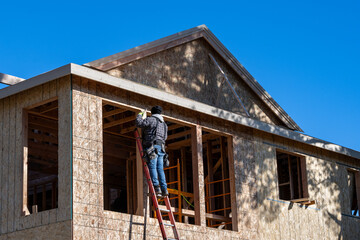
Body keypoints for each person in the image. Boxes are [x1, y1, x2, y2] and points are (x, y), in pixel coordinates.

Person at [135, 105, 168, 197]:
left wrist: (140, 114)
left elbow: (139, 123)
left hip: (152, 147)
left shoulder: (151, 119)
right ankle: (164, 189)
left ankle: (157, 188)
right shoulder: (164, 124)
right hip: (161, 148)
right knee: (160, 169)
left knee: (152, 167)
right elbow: (165, 137)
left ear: (152, 113)